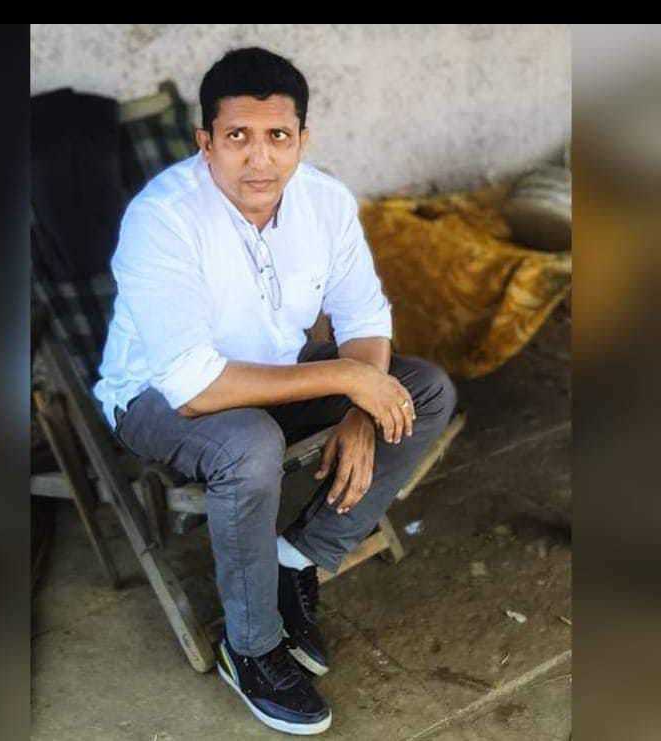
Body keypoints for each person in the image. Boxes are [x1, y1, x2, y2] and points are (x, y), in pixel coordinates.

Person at [94, 47, 457, 736]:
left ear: (302, 140)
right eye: (237, 136)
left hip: (279, 372)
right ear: (205, 141)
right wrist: (350, 378)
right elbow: (194, 384)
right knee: (250, 445)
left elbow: (363, 318)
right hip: (157, 397)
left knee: (426, 390)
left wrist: (362, 407)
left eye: (277, 136)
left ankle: (298, 557)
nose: (259, 159)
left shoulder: (325, 200)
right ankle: (252, 647)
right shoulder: (162, 218)